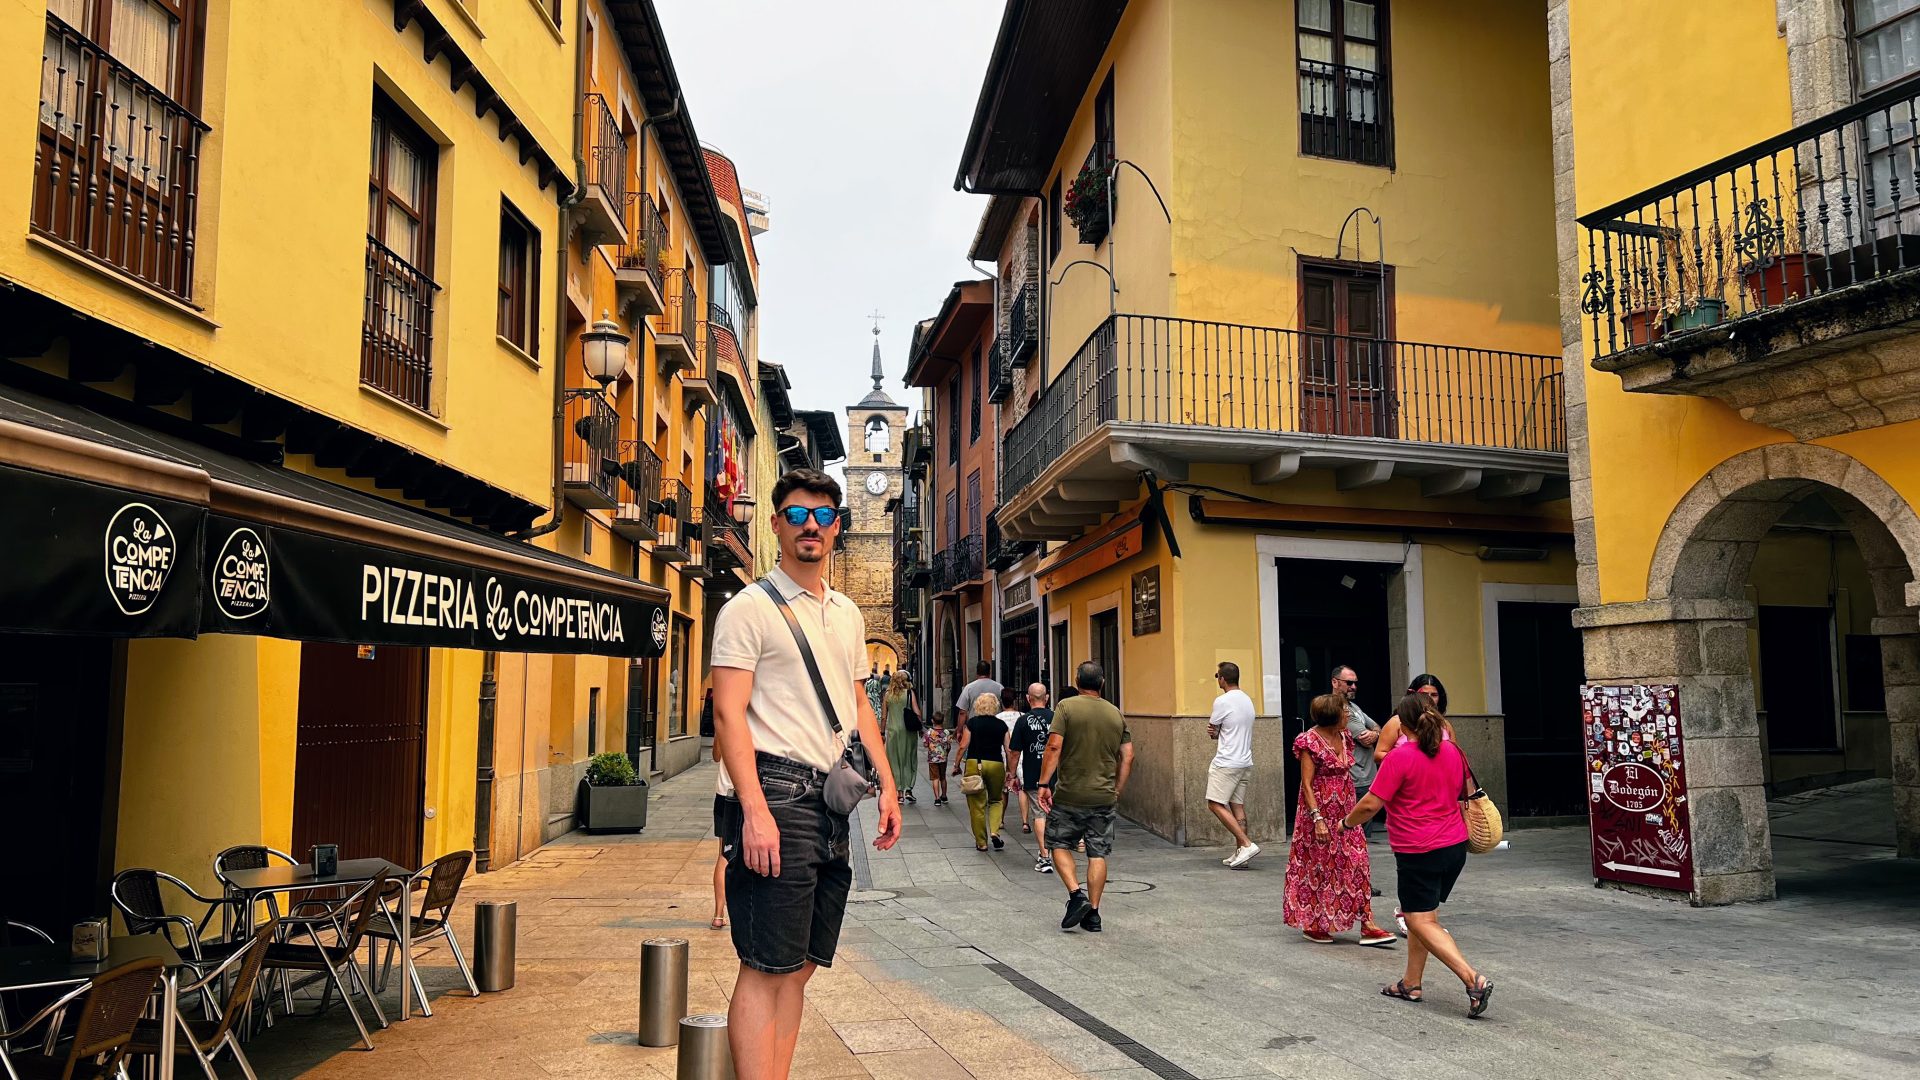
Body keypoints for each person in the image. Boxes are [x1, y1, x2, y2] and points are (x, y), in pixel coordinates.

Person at [709, 468, 904, 1080]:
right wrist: (755, 811)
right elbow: (727, 712)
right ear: (776, 525)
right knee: (765, 964)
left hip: (828, 800)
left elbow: (856, 704)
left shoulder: (845, 613)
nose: (810, 525)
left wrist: (889, 784)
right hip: (773, 791)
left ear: (837, 528)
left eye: (821, 516)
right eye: (796, 515)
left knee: (801, 964)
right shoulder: (748, 609)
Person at [1342, 694, 1493, 1018]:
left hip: (1419, 848)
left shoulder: (1401, 757)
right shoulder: (1453, 750)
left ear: (1402, 724)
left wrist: (1345, 823)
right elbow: (1463, 792)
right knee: (1425, 917)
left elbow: (1371, 803)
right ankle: (1411, 983)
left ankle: (1472, 978)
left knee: (1417, 918)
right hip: (1454, 846)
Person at [1283, 694, 1394, 946]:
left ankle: (1367, 922)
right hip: (1318, 813)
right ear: (1333, 716)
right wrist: (1317, 818)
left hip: (1346, 810)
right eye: (1345, 713)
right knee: (1319, 867)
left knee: (1357, 861)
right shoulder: (1309, 741)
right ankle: (1314, 923)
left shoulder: (1345, 737)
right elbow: (1307, 785)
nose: (1349, 716)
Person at [1037, 662, 1134, 933]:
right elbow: (1128, 756)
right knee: (1097, 852)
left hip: (1070, 793)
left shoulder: (1066, 708)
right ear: (1101, 683)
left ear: (1077, 680)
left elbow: (1054, 745)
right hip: (1103, 795)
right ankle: (1093, 914)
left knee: (1057, 842)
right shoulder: (1115, 713)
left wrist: (1044, 783)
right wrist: (1117, 788)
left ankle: (1075, 894)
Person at [1204, 662, 1260, 869]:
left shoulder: (1222, 701)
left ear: (1222, 679)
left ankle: (1246, 844)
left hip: (1226, 762)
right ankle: (1241, 855)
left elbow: (1214, 730)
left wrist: (1214, 733)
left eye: (1217, 676)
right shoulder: (1247, 700)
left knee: (1215, 803)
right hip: (1245, 760)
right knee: (1237, 806)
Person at [952, 692, 1012, 850]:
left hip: (974, 763)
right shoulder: (1001, 726)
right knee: (996, 800)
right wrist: (1010, 771)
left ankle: (982, 842)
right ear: (995, 706)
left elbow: (963, 745)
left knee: (976, 805)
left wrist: (956, 765)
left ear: (978, 706)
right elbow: (1009, 750)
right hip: (995, 764)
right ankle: (995, 832)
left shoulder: (972, 723)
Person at [1008, 683, 1056, 873]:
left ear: (1028, 699)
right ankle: (1065, 848)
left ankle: (1045, 857)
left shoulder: (1023, 721)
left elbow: (1014, 752)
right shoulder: (1057, 718)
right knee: (1056, 813)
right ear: (1047, 698)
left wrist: (1011, 775)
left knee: (1039, 814)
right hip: (1056, 775)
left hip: (1033, 773)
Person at [1372, 673, 1452, 765]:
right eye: (1424, 694)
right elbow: (1378, 755)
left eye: (1434, 695)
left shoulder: (1445, 724)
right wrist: (1411, 761)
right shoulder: (1397, 721)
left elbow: (1456, 756)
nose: (1429, 699)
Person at [883, 673, 920, 806]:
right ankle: (909, 789)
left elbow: (883, 716)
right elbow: (917, 712)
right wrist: (919, 726)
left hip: (893, 731)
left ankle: (899, 793)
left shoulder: (888, 695)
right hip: (908, 731)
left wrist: (882, 732)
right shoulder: (909, 693)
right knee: (909, 759)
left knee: (894, 761)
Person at [954, 660, 1003, 729]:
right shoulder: (999, 687)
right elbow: (1004, 708)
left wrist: (959, 730)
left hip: (974, 727)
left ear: (977, 673)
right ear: (989, 672)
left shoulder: (968, 688)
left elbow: (962, 712)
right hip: (995, 727)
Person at [922, 715, 952, 805]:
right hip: (943, 758)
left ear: (932, 721)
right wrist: (946, 752)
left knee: (935, 778)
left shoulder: (929, 732)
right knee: (943, 777)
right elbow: (949, 746)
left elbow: (925, 744)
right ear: (943, 720)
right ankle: (944, 796)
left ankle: (937, 799)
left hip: (933, 759)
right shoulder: (946, 732)